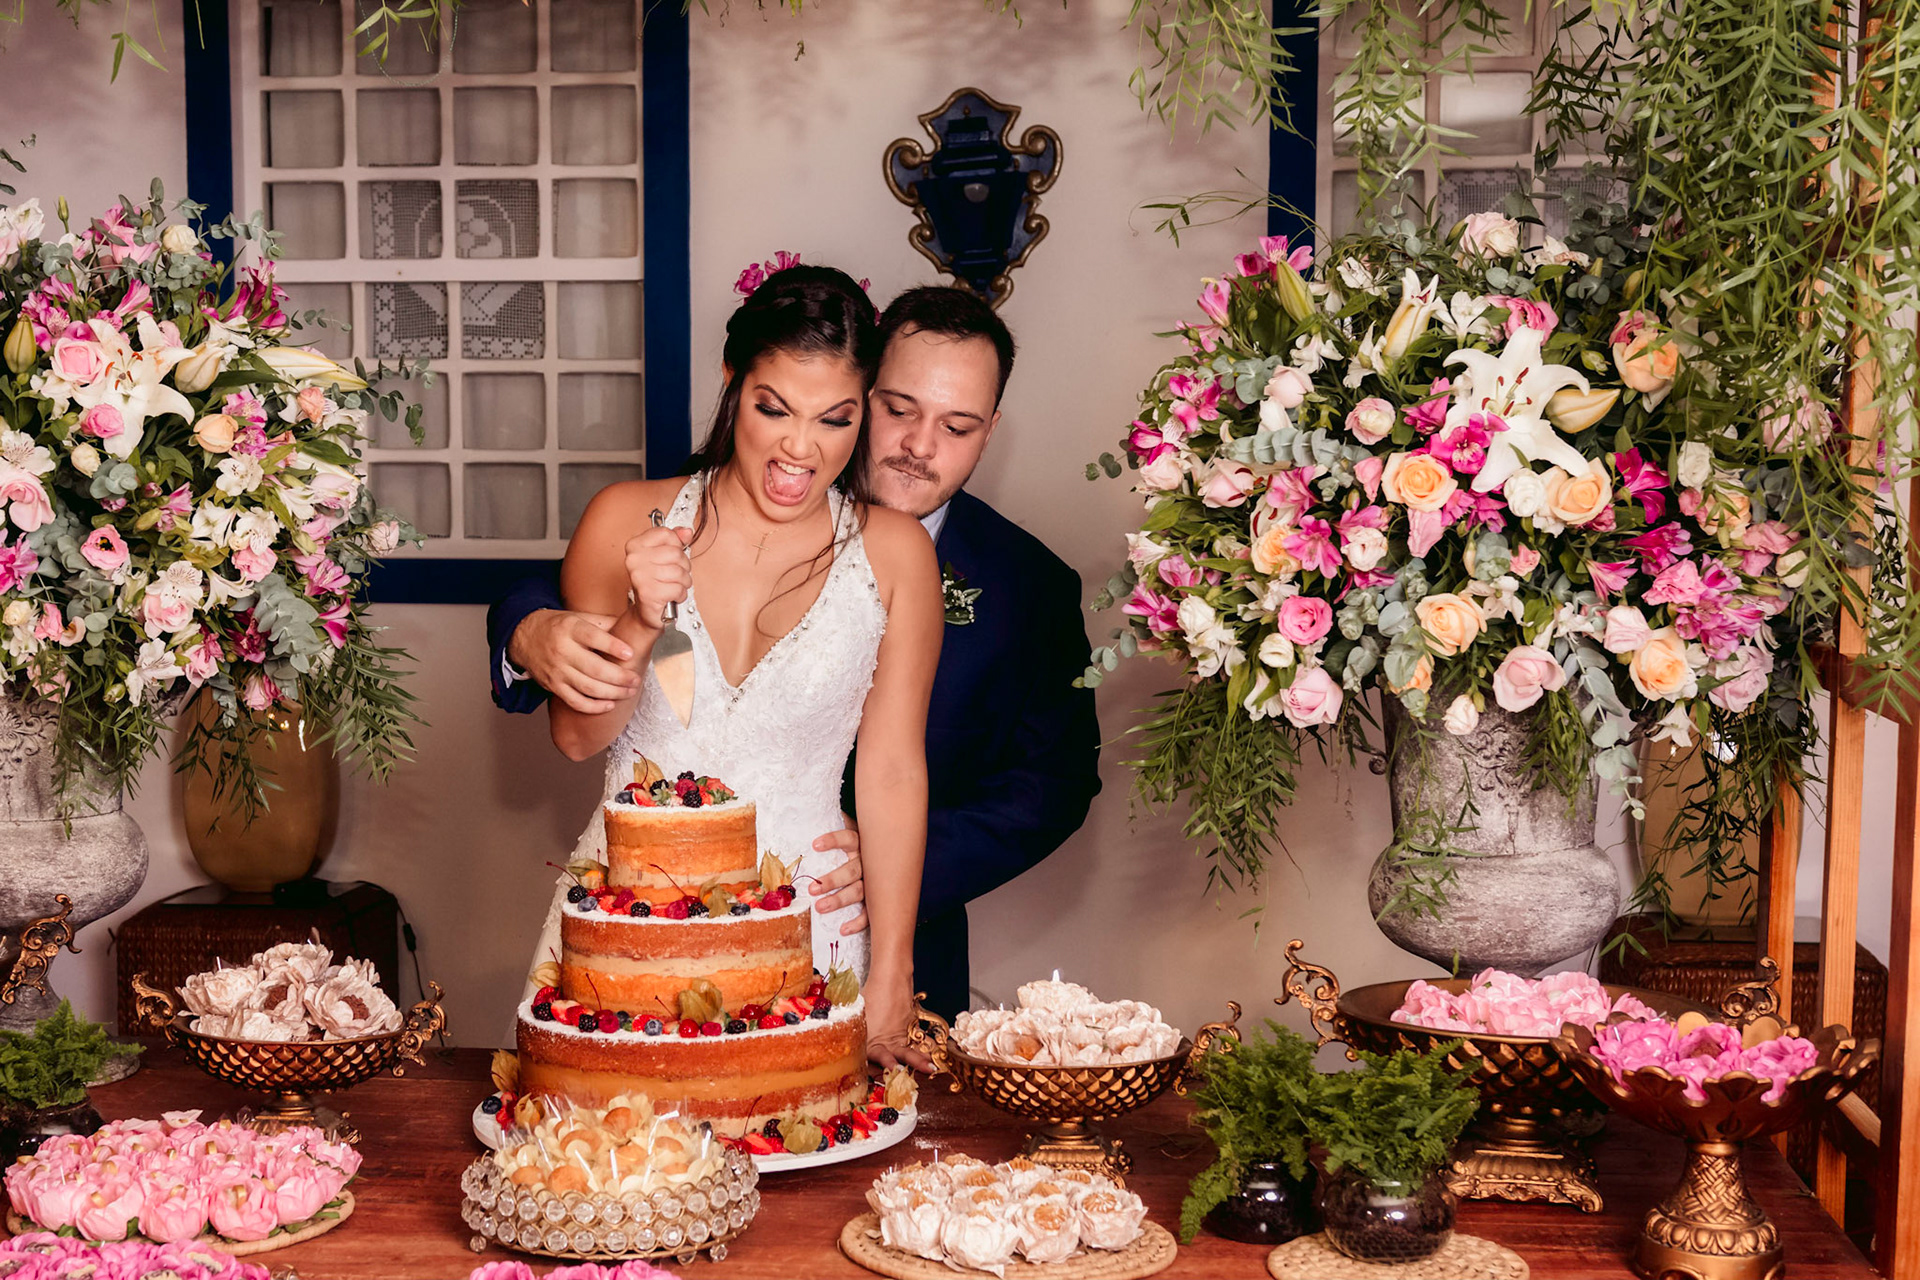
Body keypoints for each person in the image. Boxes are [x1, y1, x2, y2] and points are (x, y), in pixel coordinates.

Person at [490, 284, 1101, 1022]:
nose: (917, 444)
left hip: (828, 921)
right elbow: (572, 701)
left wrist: (889, 943)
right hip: (630, 913)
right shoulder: (653, 509)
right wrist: (566, 625)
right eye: (899, 409)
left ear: (990, 429)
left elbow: (1001, 779)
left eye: (956, 425)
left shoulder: (1000, 576)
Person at [535, 264, 943, 1068]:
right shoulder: (624, 517)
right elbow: (577, 739)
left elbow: (893, 771)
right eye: (773, 408)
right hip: (628, 933)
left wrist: (894, 974)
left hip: (813, 931)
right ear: (733, 381)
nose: (800, 447)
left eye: (834, 418)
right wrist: (640, 619)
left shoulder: (896, 554)